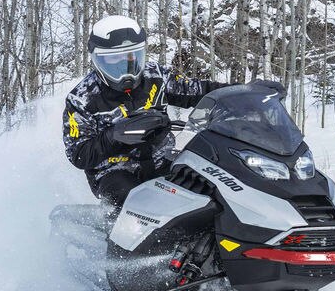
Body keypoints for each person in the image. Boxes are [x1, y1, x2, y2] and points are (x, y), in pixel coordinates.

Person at [62, 15, 224, 208]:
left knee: (207, 189)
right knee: (135, 202)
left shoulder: (153, 75)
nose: (126, 70)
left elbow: (194, 90)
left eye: (133, 57)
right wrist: (114, 136)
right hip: (114, 171)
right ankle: (116, 237)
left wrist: (242, 91)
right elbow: (79, 154)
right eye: (114, 60)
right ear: (97, 60)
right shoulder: (83, 98)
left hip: (162, 158)